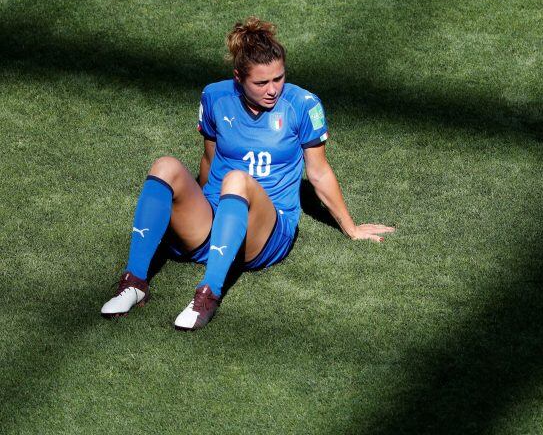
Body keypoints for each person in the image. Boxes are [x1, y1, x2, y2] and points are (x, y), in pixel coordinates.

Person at [101, 17, 394, 330]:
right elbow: (209, 159)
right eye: (261, 83)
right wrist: (190, 207)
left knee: (237, 179)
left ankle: (208, 295)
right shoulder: (214, 97)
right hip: (215, 219)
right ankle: (134, 283)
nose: (273, 90)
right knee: (165, 166)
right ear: (238, 77)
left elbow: (319, 172)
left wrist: (350, 228)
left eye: (279, 79)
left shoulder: (303, 105)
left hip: (266, 233)